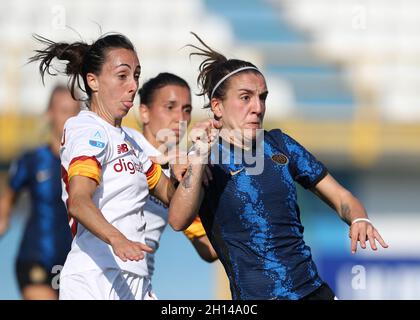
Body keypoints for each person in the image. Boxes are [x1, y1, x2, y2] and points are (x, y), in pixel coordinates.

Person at [168, 33, 389, 300]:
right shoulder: (205, 157)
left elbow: (342, 198)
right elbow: (178, 219)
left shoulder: (280, 145)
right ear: (217, 106)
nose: (257, 107)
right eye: (245, 97)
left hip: (314, 292)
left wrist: (359, 218)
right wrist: (198, 158)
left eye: (262, 97)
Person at [29, 33, 176, 300]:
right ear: (93, 81)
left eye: (136, 75)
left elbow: (171, 197)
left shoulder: (133, 141)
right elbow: (79, 201)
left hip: (135, 277)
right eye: (122, 76)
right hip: (94, 278)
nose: (133, 85)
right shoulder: (86, 129)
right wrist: (117, 238)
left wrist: (195, 164)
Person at [0, 85, 80, 300]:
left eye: (76, 111)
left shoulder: (88, 165)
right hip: (36, 257)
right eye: (64, 111)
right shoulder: (33, 160)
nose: (70, 118)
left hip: (76, 265)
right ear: (49, 114)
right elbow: (7, 200)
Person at [136, 73, 217, 283]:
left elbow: (208, 248)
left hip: (140, 281)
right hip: (100, 275)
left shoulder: (183, 171)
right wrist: (165, 159)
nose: (180, 118)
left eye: (186, 110)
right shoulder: (125, 143)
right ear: (144, 112)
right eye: (170, 107)